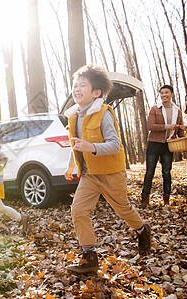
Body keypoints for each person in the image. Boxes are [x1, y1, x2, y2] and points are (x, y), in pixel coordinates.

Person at [64, 64, 151, 274]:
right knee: (78, 210)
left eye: (82, 85)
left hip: (111, 173)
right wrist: (71, 166)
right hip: (89, 175)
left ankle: (142, 229)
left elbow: (114, 144)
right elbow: (76, 144)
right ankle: (89, 256)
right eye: (75, 85)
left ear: (96, 93)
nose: (76, 89)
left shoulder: (103, 113)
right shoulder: (74, 116)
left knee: (123, 209)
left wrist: (92, 147)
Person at [141, 85, 185, 208]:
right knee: (150, 171)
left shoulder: (178, 111)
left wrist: (183, 138)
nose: (164, 95)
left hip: (168, 145)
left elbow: (180, 129)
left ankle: (166, 198)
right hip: (154, 143)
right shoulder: (155, 109)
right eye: (162, 93)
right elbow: (151, 126)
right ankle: (145, 198)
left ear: (172, 94)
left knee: (166, 172)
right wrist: (168, 126)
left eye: (167, 92)